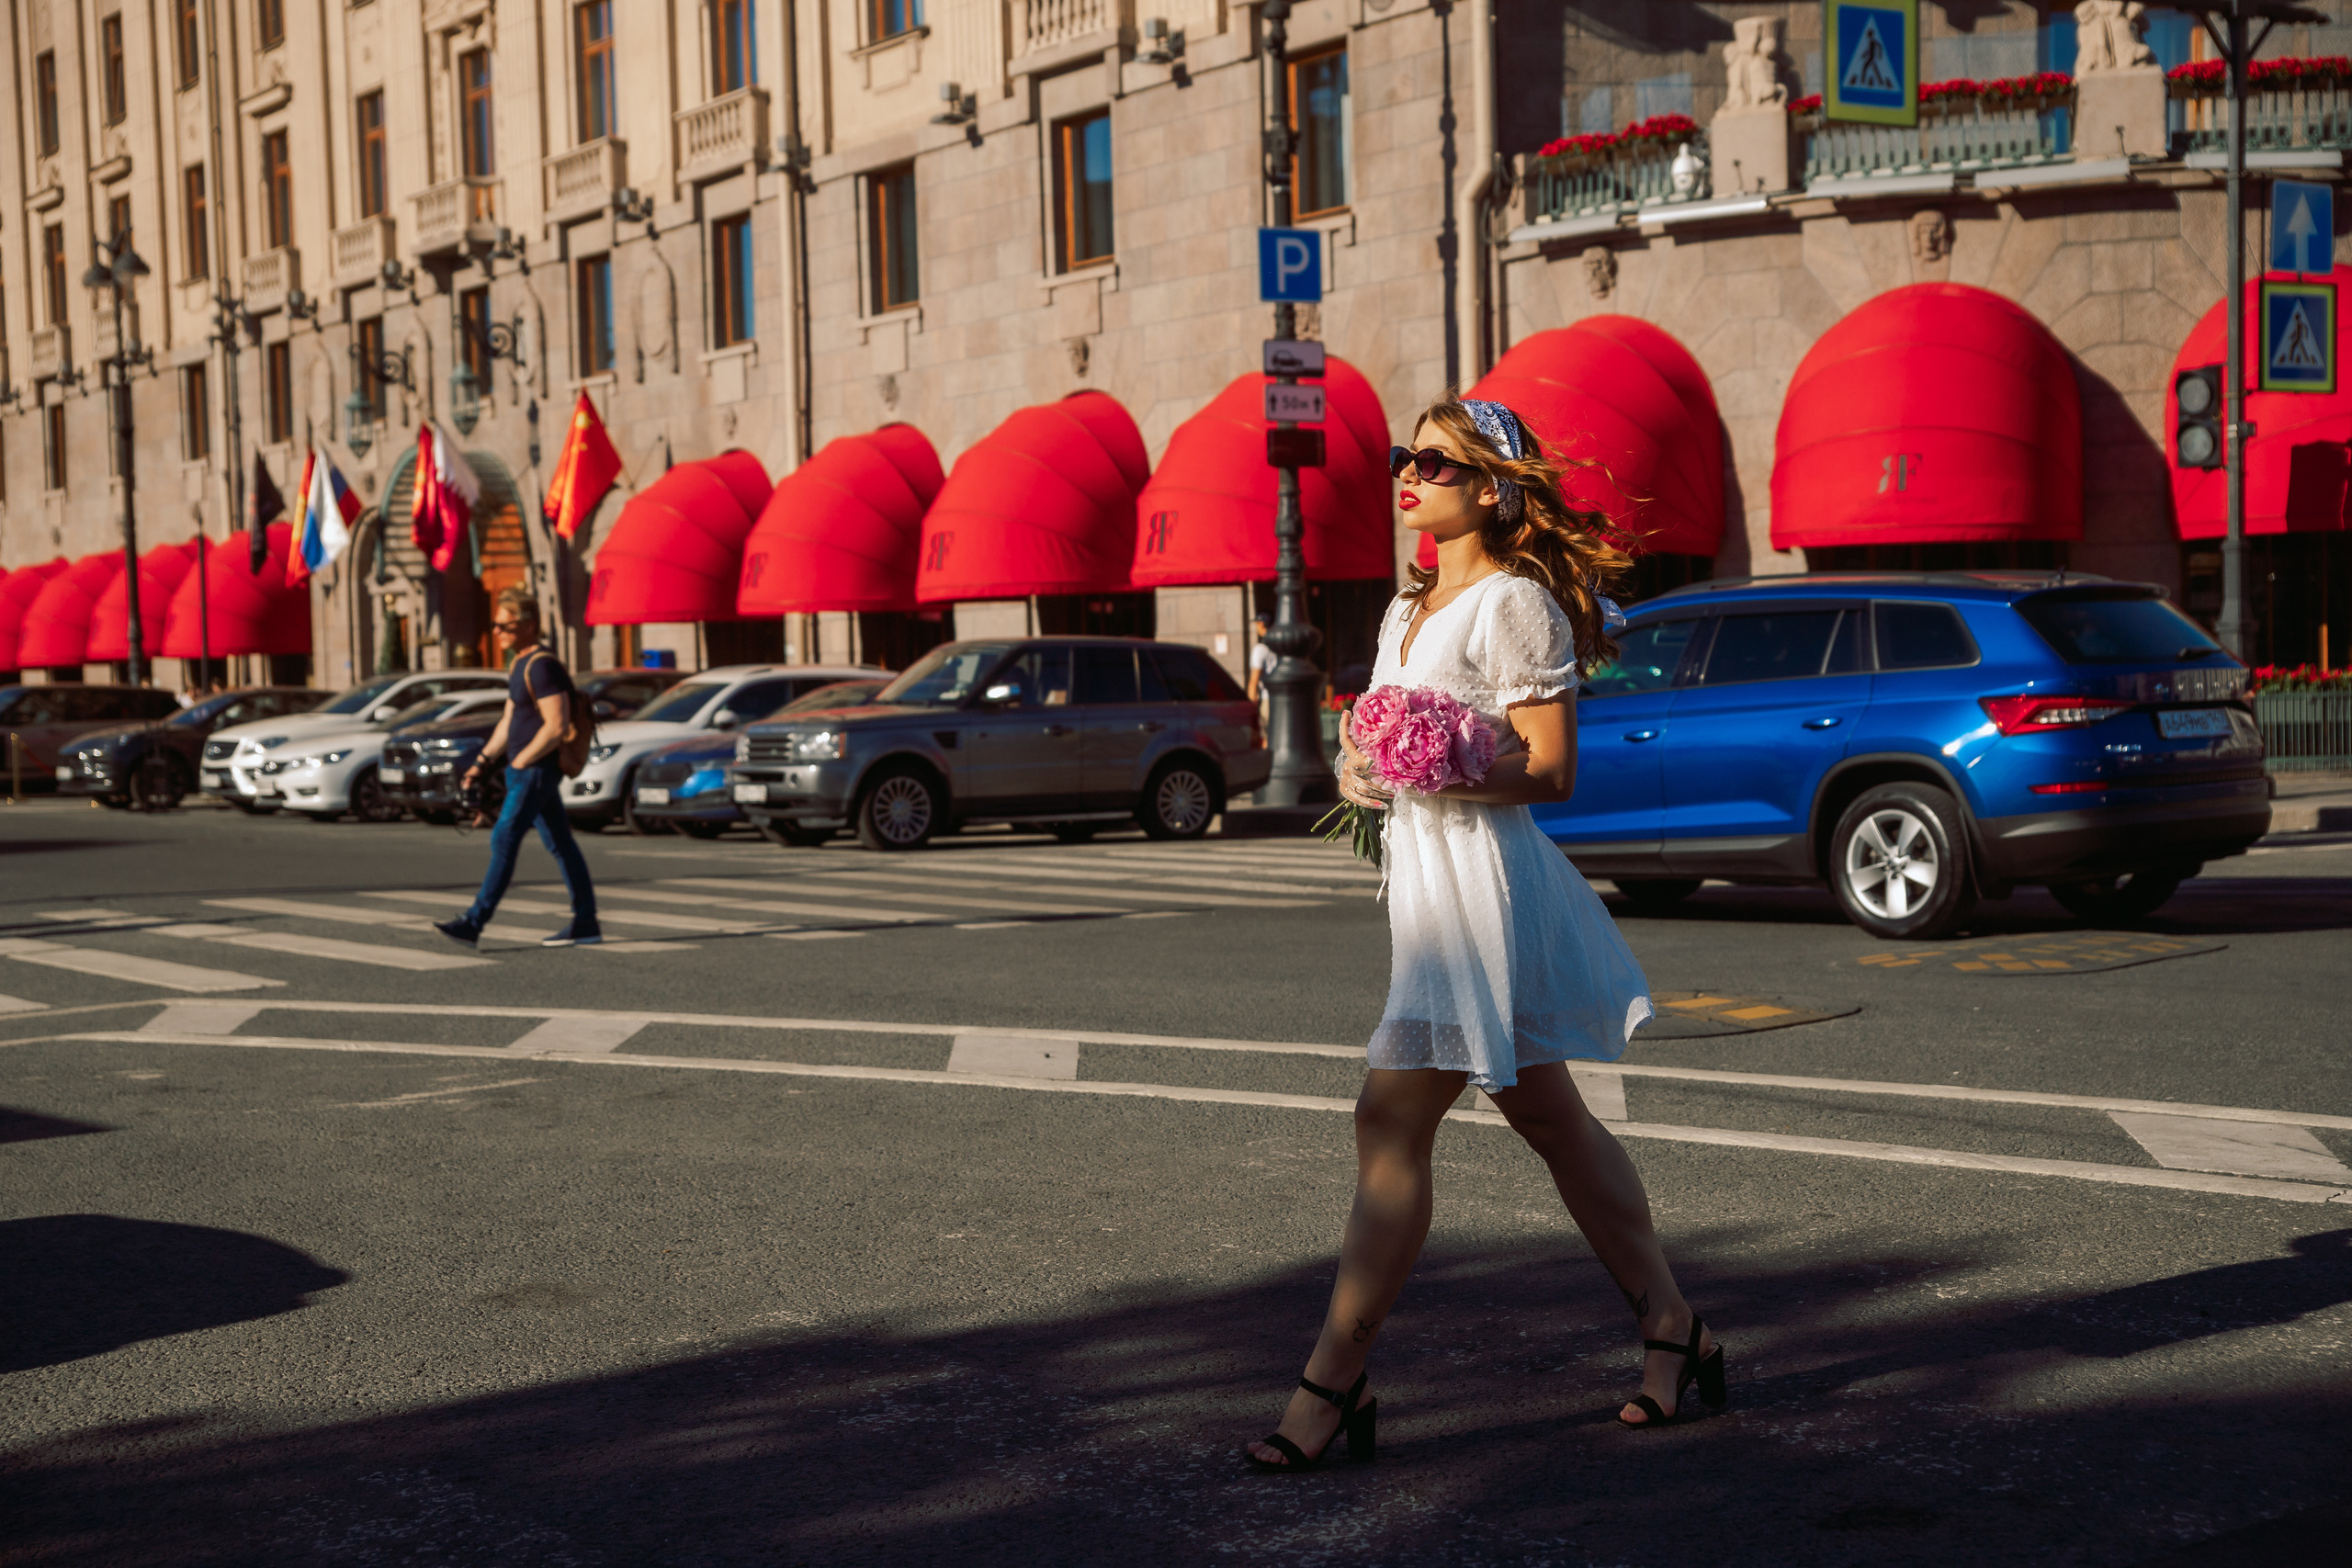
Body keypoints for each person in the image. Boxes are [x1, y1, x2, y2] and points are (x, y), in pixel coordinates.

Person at [1243, 397, 1724, 1473]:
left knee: (1387, 1117)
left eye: (1434, 464)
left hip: (1482, 895)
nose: (1407, 477)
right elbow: (1381, 733)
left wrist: (1444, 761)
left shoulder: (1514, 603)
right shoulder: (1406, 607)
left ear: (1492, 489)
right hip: (1425, 883)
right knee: (1549, 1118)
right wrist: (1365, 767)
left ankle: (1332, 1383)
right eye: (1401, 459)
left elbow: (1551, 769)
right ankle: (1673, 1330)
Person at [434, 588, 601, 949]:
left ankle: (474, 923)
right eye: (495, 625)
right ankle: (586, 921)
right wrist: (482, 762)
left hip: (535, 771)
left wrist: (524, 760)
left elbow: (557, 725)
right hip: (522, 770)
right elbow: (510, 719)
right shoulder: (519, 664)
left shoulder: (543, 666)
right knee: (561, 844)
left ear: (527, 625)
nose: (496, 632)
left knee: (503, 838)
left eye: (503, 626)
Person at [1245, 612, 1278, 705]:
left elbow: (1253, 681)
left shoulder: (1259, 649)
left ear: (1261, 624)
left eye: (1257, 624)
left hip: (1267, 698)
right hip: (1282, 698)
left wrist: (1251, 705)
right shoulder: (1280, 647)